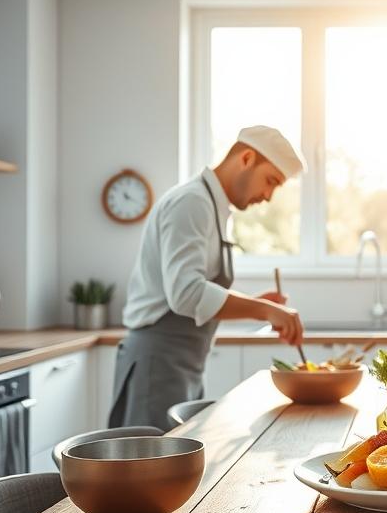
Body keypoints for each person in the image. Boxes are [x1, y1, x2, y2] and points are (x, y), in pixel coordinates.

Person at [110, 125, 306, 429]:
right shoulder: (192, 202)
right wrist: (266, 310)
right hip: (158, 364)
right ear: (246, 158)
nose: (268, 196)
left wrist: (256, 305)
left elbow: (194, 292)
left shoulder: (211, 206)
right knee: (154, 471)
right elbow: (186, 294)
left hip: (180, 365)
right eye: (270, 181)